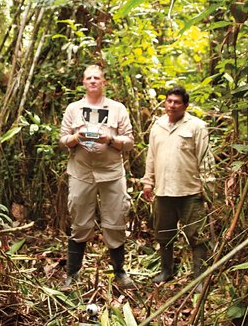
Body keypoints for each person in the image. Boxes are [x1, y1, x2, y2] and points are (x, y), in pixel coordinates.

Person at [59, 65, 135, 288]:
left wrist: (110, 139)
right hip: (81, 173)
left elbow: (129, 142)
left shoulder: (117, 108)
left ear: (104, 82)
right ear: (83, 83)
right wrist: (76, 137)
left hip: (111, 174)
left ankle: (119, 272)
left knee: (116, 221)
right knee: (80, 223)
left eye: (97, 78)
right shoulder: (74, 109)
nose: (92, 81)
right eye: (88, 78)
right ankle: (72, 275)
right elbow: (62, 140)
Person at [141, 86, 215, 284]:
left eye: (177, 102)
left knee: (197, 236)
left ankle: (199, 278)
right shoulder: (157, 126)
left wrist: (207, 188)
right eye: (169, 101)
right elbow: (151, 156)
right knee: (164, 234)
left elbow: (205, 158)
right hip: (164, 191)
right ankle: (167, 271)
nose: (172, 106)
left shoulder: (196, 126)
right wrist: (148, 182)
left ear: (185, 106)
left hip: (191, 191)